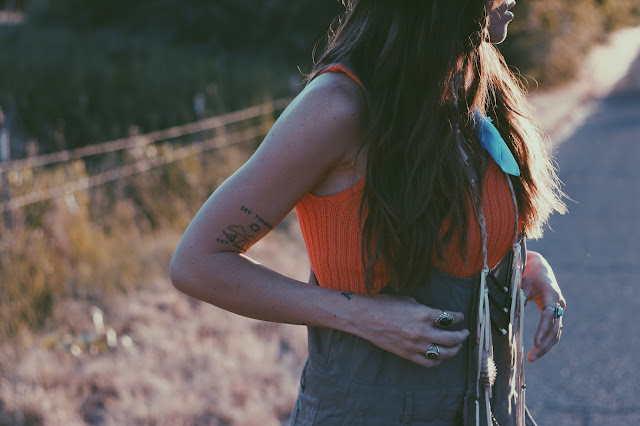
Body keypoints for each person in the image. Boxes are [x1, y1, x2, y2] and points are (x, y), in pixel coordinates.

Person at [170, 0, 567, 424]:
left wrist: (521, 267)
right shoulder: (337, 107)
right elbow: (197, 263)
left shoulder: (472, 81)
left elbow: (461, 233)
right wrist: (363, 315)